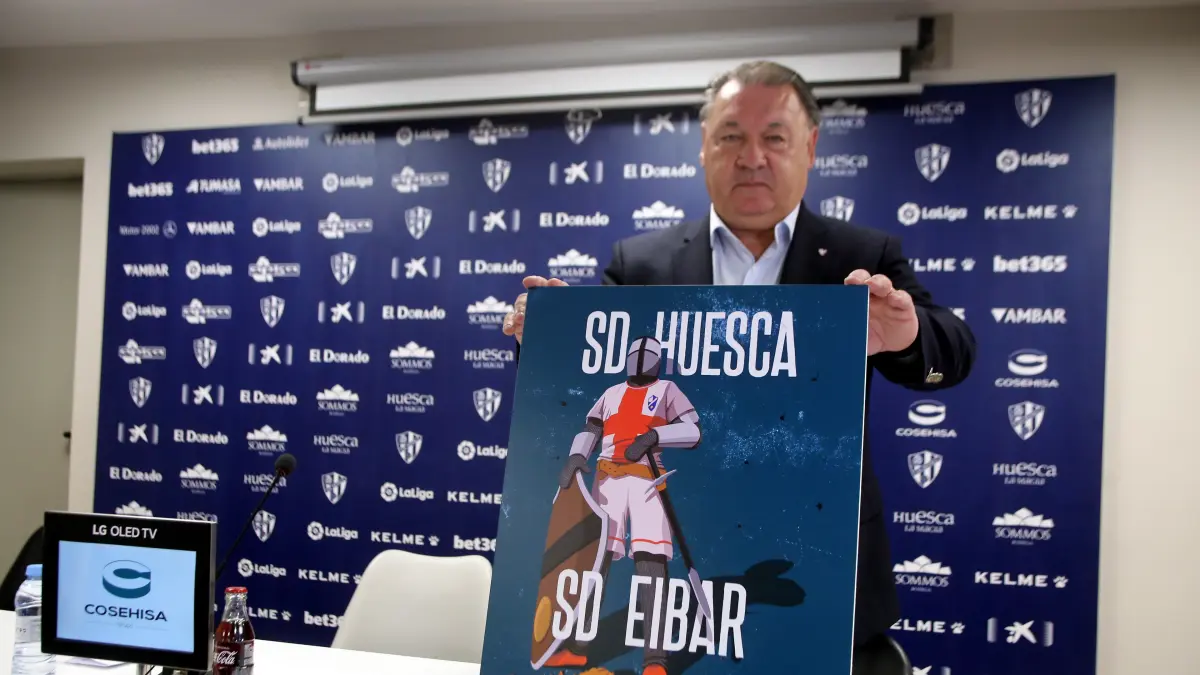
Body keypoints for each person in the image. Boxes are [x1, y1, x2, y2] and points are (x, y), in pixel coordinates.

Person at [503, 60, 977, 670]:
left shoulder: (860, 256)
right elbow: (590, 381)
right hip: (687, 528)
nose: (752, 157)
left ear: (810, 147)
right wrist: (545, 341)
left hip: (821, 566)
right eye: (731, 136)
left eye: (774, 137)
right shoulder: (641, 263)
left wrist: (907, 338)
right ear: (704, 147)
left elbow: (952, 353)